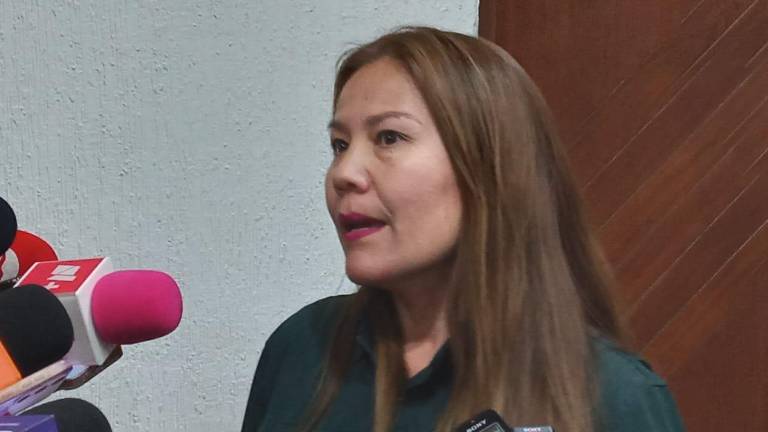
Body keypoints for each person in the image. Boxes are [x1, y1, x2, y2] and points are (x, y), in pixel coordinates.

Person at [241, 26, 685, 432]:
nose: (344, 173)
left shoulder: (615, 396)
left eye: (389, 137)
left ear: (490, 167)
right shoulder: (301, 349)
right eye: (340, 145)